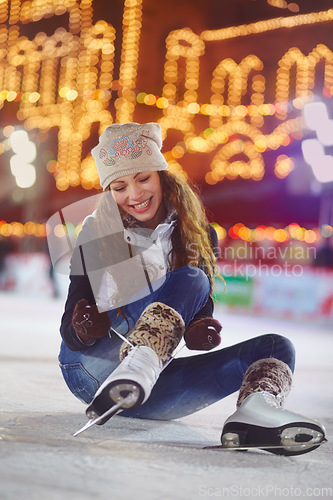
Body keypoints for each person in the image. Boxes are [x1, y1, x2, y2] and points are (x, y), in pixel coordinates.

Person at [58, 122, 325, 454]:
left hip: (152, 389)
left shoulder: (198, 234)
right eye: (119, 187)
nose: (134, 195)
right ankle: (138, 365)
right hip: (91, 368)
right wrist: (82, 329)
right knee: (193, 278)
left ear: (161, 176)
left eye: (143, 179)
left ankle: (255, 413)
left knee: (276, 347)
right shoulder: (95, 232)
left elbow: (200, 304)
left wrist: (199, 329)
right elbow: (69, 323)